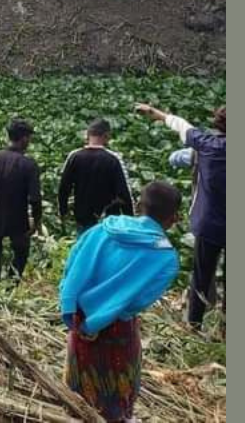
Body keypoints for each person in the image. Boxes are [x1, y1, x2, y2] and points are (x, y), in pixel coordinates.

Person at [60, 181, 182, 423]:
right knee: (118, 386)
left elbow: (71, 267)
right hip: (118, 329)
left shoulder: (101, 230)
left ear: (138, 205)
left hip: (79, 320)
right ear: (174, 218)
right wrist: (108, 312)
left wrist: (77, 310)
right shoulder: (166, 257)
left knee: (79, 382)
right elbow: (137, 303)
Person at [137, 103, 226, 330]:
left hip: (209, 224)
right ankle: (225, 326)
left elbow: (181, 126)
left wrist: (156, 113)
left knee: (201, 276)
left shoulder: (208, 145)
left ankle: (194, 325)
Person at [0, 119, 43, 280]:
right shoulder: (29, 164)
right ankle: (13, 282)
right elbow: (35, 198)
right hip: (17, 217)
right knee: (21, 251)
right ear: (24, 138)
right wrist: (37, 220)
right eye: (29, 137)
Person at [58, 118, 134, 233]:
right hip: (108, 220)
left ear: (87, 135)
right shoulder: (113, 159)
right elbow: (124, 193)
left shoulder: (74, 156)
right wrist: (130, 219)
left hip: (83, 217)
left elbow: (63, 188)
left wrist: (63, 212)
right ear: (107, 136)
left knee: (85, 247)